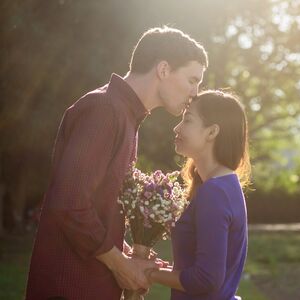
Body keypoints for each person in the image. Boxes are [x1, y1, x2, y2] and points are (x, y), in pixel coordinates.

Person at [25, 26, 208, 300]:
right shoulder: (104, 110)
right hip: (69, 287)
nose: (195, 92)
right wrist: (120, 265)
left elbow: (95, 209)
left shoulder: (125, 115)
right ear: (164, 69)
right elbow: (69, 203)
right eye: (193, 80)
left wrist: (128, 257)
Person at [147, 90, 251, 300]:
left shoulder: (215, 192)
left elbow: (206, 280)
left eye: (187, 120)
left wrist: (148, 273)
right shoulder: (223, 186)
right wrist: (161, 269)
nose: (176, 127)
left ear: (212, 132)